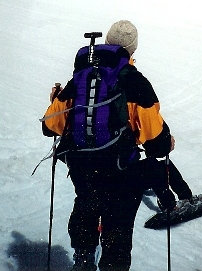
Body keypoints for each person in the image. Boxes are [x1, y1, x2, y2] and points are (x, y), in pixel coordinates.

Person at [42, 20, 175, 271]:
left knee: (86, 207)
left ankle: (83, 260)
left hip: (83, 169)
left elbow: (49, 126)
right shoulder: (136, 83)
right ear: (132, 50)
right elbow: (157, 143)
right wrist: (167, 142)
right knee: (118, 230)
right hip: (120, 172)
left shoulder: (80, 78)